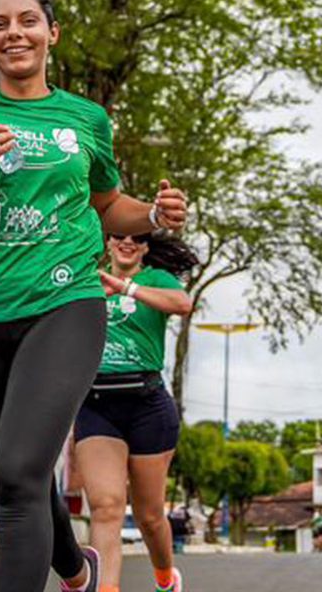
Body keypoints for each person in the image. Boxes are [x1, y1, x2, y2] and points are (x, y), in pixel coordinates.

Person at [0, 0, 190, 592]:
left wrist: (152, 216)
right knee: (19, 475)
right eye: (1, 24)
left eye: (29, 20)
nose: (16, 33)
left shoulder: (86, 118)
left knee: (12, 476)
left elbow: (107, 202)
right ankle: (73, 567)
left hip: (66, 304)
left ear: (52, 33)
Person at [73, 231, 197, 592]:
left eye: (137, 238)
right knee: (107, 507)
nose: (127, 242)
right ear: (107, 242)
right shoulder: (88, 276)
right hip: (96, 405)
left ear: (146, 247)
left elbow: (181, 304)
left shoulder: (155, 279)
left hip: (147, 406)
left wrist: (125, 288)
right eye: (119, 236)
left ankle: (165, 579)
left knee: (149, 515)